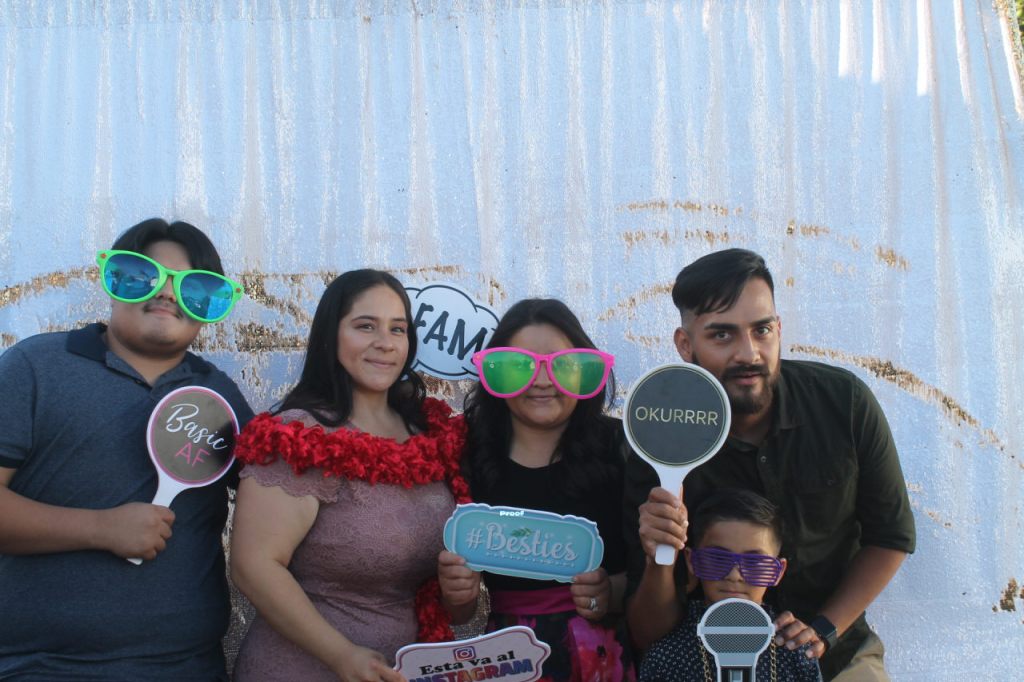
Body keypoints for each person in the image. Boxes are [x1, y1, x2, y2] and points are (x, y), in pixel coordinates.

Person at [625, 248, 915, 681]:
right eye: (722, 335)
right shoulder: (660, 440)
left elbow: (890, 537)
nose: (749, 353)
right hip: (702, 664)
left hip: (838, 655)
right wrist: (659, 556)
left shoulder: (844, 403)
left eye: (761, 330)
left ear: (778, 329)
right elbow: (647, 632)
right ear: (685, 345)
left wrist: (824, 630)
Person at [0, 218, 253, 679]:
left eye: (193, 288)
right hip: (45, 666)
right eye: (143, 276)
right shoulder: (35, 367)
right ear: (113, 281)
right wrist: (100, 528)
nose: (168, 293)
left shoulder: (220, 397)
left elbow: (278, 506)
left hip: (188, 667)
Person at [230, 269, 469, 682]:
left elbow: (452, 605)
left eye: (398, 329)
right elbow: (254, 566)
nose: (385, 342)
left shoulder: (429, 435)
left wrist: (458, 592)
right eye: (365, 326)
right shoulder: (297, 436)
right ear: (331, 335)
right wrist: (341, 655)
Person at [439, 298, 636, 681]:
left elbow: (652, 570)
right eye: (519, 367)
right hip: (504, 659)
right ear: (495, 373)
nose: (543, 381)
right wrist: (457, 595)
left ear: (585, 371)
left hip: (599, 658)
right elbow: (460, 610)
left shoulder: (620, 449)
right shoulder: (467, 455)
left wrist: (609, 591)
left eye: (562, 366)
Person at [638, 489, 822, 682]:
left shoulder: (795, 651)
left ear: (778, 571)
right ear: (692, 561)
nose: (734, 575)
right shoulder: (667, 653)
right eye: (718, 558)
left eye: (754, 562)